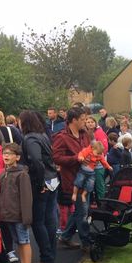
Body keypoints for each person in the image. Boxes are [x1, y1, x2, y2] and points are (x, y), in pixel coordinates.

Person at [20, 110, 60, 263]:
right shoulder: (42, 135)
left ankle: (46, 256)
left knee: (38, 221)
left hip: (43, 183)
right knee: (50, 219)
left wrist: (39, 182)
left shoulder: (30, 139)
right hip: (53, 180)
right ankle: (50, 255)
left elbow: (36, 160)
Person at [53, 107, 92, 253]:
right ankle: (86, 242)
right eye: (82, 119)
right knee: (82, 212)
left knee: (80, 211)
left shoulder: (84, 135)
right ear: (74, 120)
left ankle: (65, 236)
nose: (85, 122)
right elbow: (55, 157)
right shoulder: (61, 137)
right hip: (73, 180)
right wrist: (75, 159)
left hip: (87, 177)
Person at [0, 143, 34, 263]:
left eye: (10, 153)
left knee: (24, 241)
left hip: (20, 215)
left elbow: (26, 197)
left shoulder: (22, 174)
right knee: (18, 241)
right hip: (9, 215)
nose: (6, 156)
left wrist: (26, 217)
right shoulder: (4, 173)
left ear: (17, 157)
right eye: (4, 153)